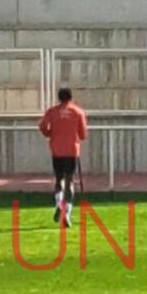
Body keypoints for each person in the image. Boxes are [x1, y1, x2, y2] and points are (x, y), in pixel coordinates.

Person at [38, 88, 88, 228]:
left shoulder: (52, 112)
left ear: (59, 98)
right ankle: (66, 212)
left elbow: (42, 126)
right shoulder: (78, 112)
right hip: (72, 150)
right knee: (69, 181)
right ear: (71, 97)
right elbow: (83, 134)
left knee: (59, 179)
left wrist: (49, 133)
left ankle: (59, 204)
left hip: (57, 150)